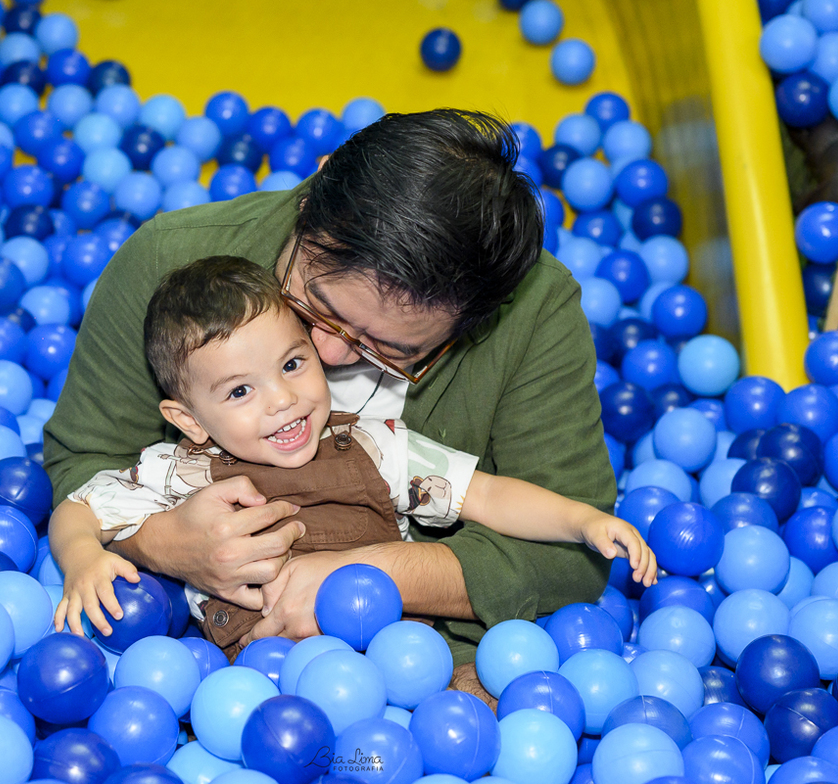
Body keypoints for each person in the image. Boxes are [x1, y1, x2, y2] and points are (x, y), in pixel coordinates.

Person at [43, 109, 619, 684]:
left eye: (392, 350)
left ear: (471, 323)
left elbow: (574, 551)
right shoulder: (169, 265)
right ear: (311, 195)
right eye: (317, 305)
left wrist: (379, 574)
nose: (333, 354)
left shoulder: (535, 309)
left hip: (419, 657)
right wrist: (166, 544)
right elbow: (84, 461)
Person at [49, 257, 656, 657]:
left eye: (292, 365)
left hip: (401, 657)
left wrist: (582, 520)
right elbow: (80, 507)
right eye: (240, 391)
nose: (283, 400)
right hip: (261, 670)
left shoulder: (373, 444)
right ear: (188, 421)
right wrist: (81, 560)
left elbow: (490, 495)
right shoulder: (172, 471)